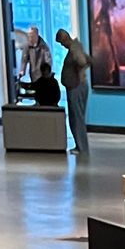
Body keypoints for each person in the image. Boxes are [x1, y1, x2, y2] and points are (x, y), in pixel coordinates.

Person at [56, 26, 91, 154]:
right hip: (73, 87)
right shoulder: (74, 48)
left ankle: (82, 147)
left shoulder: (75, 48)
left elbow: (83, 61)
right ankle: (78, 145)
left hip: (76, 87)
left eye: (61, 43)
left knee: (77, 119)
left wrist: (81, 74)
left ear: (65, 39)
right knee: (74, 118)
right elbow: (87, 60)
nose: (62, 45)